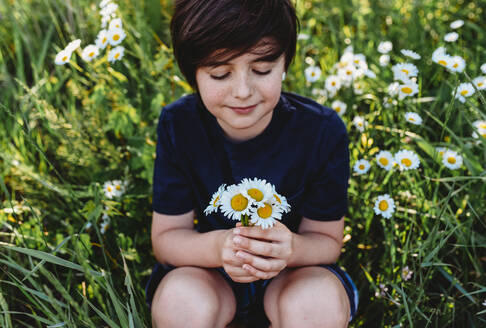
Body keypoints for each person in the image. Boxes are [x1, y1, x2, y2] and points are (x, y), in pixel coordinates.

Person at [145, 0, 358, 327]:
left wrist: (290, 249)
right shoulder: (179, 125)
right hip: (208, 271)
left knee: (317, 305)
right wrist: (220, 247)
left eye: (261, 70)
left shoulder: (322, 131)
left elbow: (327, 241)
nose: (242, 91)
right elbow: (167, 238)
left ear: (285, 62)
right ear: (193, 74)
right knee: (181, 303)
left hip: (295, 272)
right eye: (220, 73)